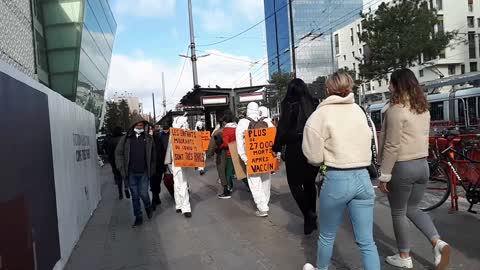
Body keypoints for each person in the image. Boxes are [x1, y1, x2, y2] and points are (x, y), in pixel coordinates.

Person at [302, 72, 380, 270]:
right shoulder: (359, 111)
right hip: (363, 177)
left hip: (337, 178)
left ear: (328, 90)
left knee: (327, 236)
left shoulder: (319, 115)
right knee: (367, 241)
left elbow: (313, 157)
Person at [378, 68, 450, 270]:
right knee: (414, 208)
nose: (389, 87)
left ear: (397, 86)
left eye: (391, 83)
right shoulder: (423, 109)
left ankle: (404, 256)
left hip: (402, 167)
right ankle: (438, 243)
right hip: (422, 165)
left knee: (399, 212)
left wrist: (384, 175)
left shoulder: (396, 110)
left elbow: (392, 145)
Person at [272, 78, 319, 235]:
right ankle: (311, 218)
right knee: (310, 183)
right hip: (311, 145)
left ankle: (308, 214)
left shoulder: (288, 103)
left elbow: (283, 127)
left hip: (295, 148)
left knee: (294, 184)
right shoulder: (313, 102)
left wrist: (276, 146)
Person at [115, 116, 156, 227]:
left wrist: (152, 168)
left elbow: (153, 155)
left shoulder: (148, 139)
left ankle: (148, 206)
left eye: (142, 125)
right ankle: (138, 217)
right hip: (131, 173)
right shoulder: (126, 139)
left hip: (144, 172)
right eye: (138, 125)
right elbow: (118, 153)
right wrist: (120, 166)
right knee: (135, 196)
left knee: (144, 194)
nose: (140, 127)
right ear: (133, 126)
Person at [236, 102, 273, 217]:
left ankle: (262, 208)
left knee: (255, 183)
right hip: (266, 158)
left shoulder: (243, 122)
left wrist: (244, 158)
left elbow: (239, 142)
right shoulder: (267, 122)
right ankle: (265, 203)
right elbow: (273, 137)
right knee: (266, 181)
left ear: (247, 110)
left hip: (252, 158)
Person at [165, 114, 192, 218]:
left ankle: (179, 204)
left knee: (178, 183)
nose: (186, 125)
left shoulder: (176, 133)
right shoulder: (176, 134)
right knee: (183, 183)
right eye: (184, 123)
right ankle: (186, 207)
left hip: (179, 162)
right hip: (178, 163)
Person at [105, 126, 130, 200]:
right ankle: (126, 187)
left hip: (114, 161)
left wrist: (111, 162)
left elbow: (109, 152)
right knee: (125, 175)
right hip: (124, 161)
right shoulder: (124, 139)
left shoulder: (111, 140)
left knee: (118, 178)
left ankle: (120, 194)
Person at [207, 119, 229, 198]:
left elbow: (212, 145)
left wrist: (209, 154)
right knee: (229, 171)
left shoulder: (217, 132)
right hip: (232, 152)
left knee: (222, 171)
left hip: (221, 153)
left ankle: (226, 191)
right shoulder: (234, 130)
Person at [218, 110, 238, 198]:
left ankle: (228, 191)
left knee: (228, 173)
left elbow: (226, 144)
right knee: (241, 171)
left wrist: (220, 146)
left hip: (230, 153)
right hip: (238, 151)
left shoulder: (226, 130)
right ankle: (250, 186)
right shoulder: (237, 127)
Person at [150, 125, 166, 209]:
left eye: (151, 129)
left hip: (159, 165)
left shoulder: (158, 138)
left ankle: (156, 197)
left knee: (157, 182)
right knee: (152, 182)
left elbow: (162, 151)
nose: (150, 130)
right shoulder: (146, 139)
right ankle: (154, 199)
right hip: (150, 166)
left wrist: (164, 164)